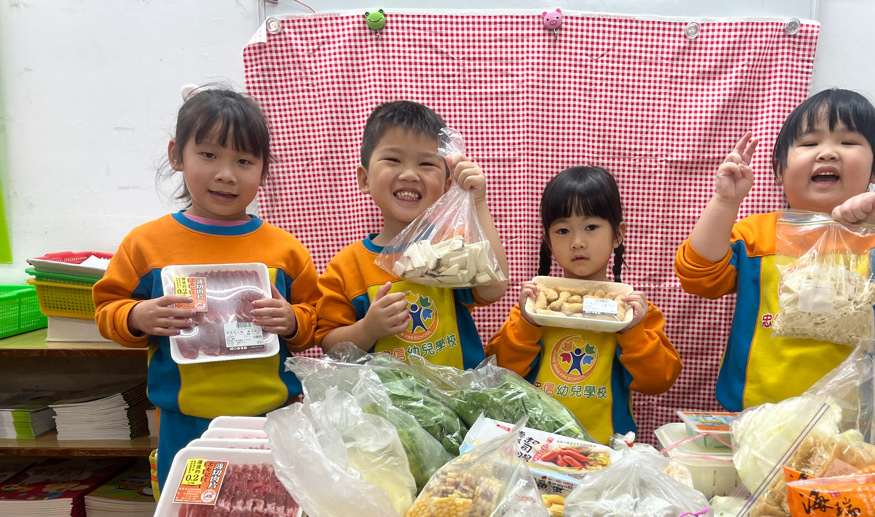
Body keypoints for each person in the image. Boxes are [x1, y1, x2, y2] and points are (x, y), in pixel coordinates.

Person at [676, 88, 875, 412]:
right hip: (757, 415)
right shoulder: (754, 236)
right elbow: (699, 276)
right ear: (779, 170)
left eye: (848, 142)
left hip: (853, 421)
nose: (828, 153)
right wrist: (725, 202)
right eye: (810, 143)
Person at [94, 86, 321, 489]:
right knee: (194, 512)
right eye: (209, 155)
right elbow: (107, 308)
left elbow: (314, 318)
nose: (226, 174)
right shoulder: (147, 245)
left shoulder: (285, 250)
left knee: (266, 513)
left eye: (244, 161)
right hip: (188, 423)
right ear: (176, 155)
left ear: (263, 170)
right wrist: (136, 316)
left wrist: (292, 321)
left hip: (273, 418)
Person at [486, 166, 682, 444]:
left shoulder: (634, 312)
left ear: (618, 234)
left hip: (606, 448)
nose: (577, 242)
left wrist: (632, 332)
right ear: (547, 241)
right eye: (563, 230)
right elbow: (500, 375)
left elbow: (658, 382)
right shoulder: (534, 307)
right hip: (537, 445)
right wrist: (527, 325)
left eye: (591, 227)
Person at [316, 100, 508, 367]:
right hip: (383, 394)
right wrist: (367, 329)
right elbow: (330, 347)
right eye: (393, 160)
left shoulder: (452, 246)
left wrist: (477, 202)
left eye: (426, 164)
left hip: (457, 390)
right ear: (364, 179)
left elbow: (495, 287)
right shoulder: (347, 267)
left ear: (446, 186)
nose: (409, 174)